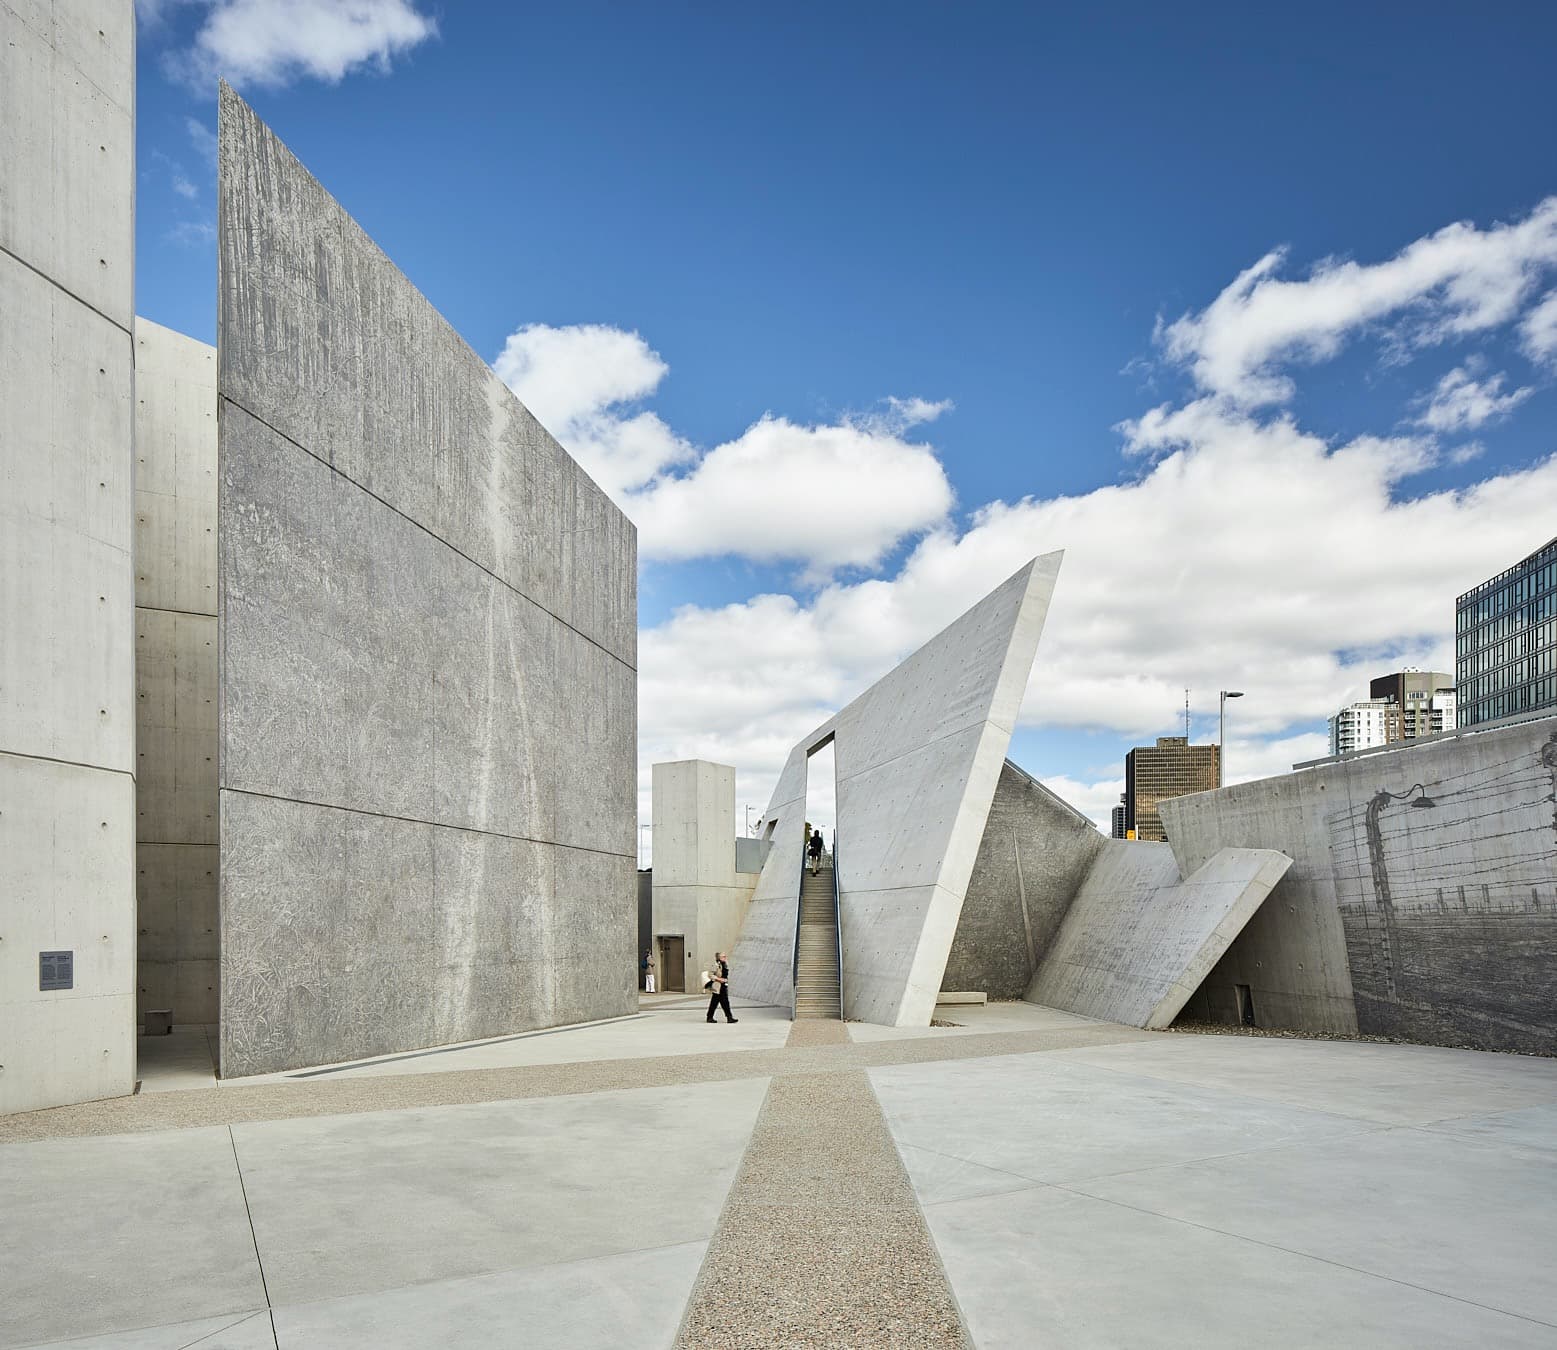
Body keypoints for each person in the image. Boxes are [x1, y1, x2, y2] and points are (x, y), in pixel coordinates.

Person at [706, 951, 738, 1024]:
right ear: (719, 958)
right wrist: (719, 979)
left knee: (722, 1002)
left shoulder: (725, 964)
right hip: (718, 986)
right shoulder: (715, 965)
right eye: (723, 956)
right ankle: (711, 1017)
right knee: (718, 1002)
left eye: (725, 956)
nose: (725, 958)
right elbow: (710, 975)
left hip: (723, 986)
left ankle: (728, 1017)